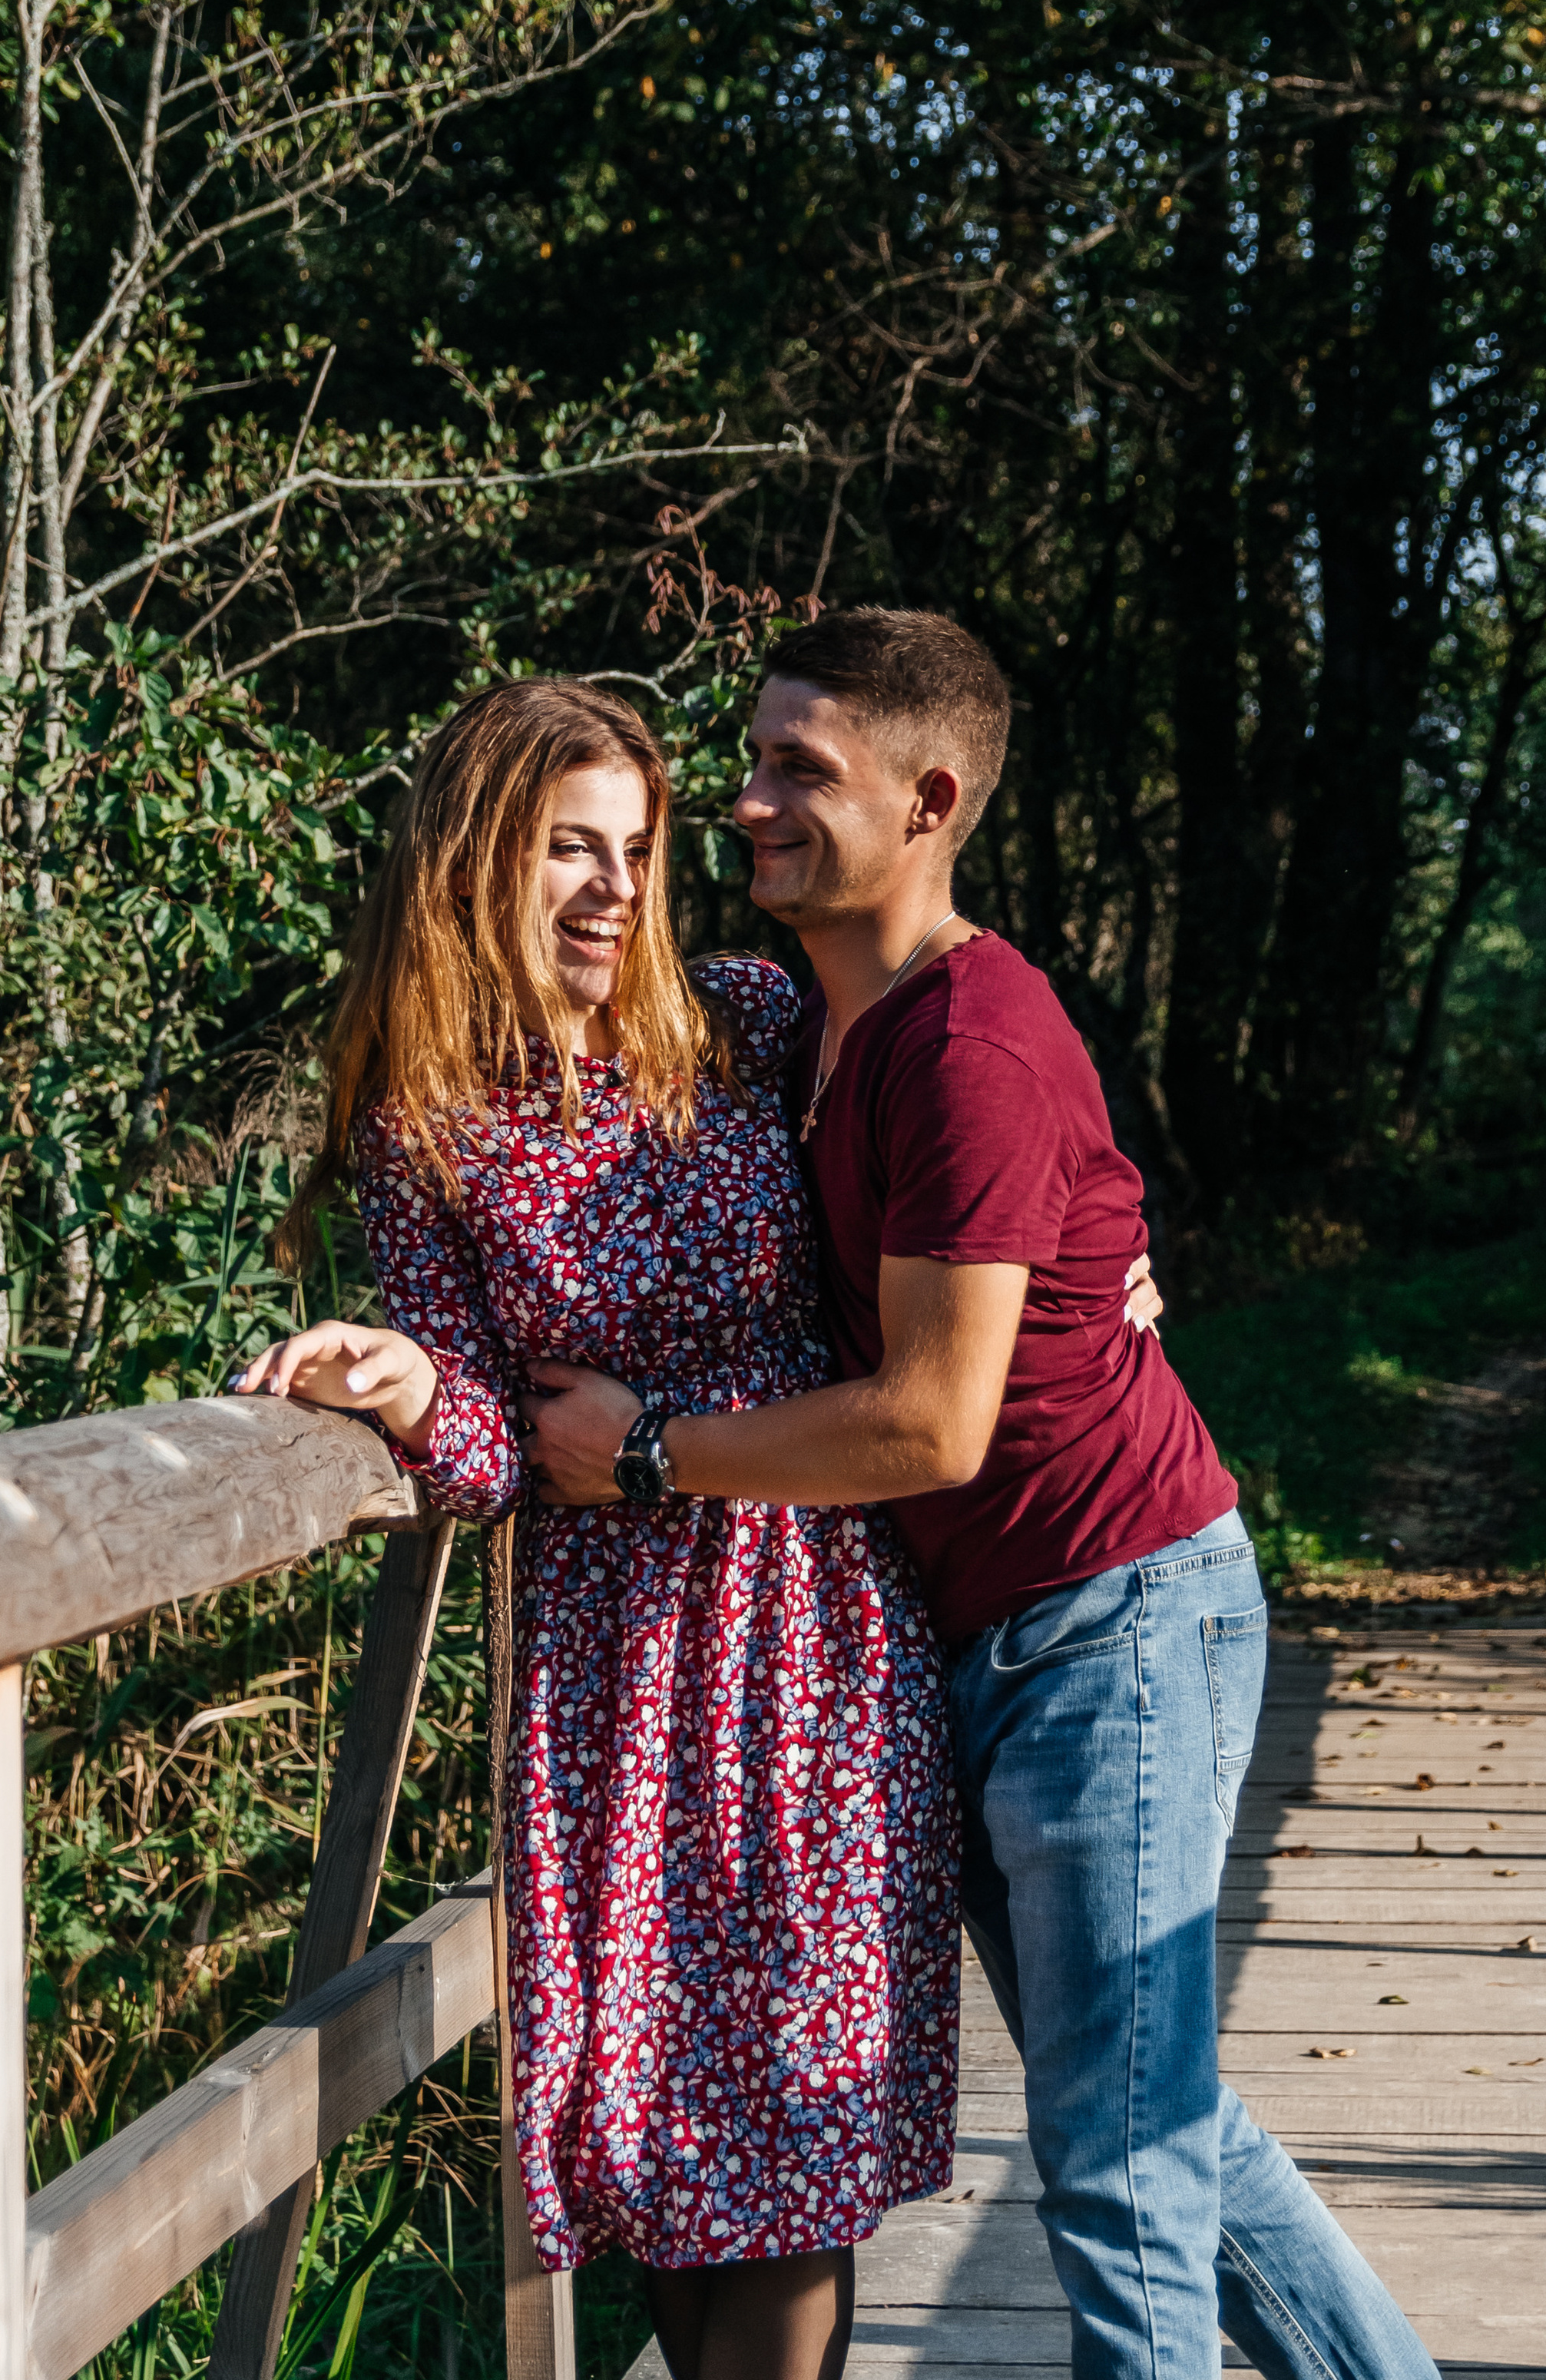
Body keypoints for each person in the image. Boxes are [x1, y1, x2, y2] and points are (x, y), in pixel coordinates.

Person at [525, 608, 1443, 2380]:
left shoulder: (970, 1047)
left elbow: (928, 1426)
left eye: (803, 769)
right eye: (753, 757)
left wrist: (639, 1450)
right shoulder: (802, 1024)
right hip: (989, 1634)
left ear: (928, 799)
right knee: (1161, 2116)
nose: (749, 802)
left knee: (1113, 2159)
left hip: (1111, 1620)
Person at [234, 677, 962, 2380]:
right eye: (569, 847)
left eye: (633, 850)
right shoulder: (423, 1121)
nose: (613, 889)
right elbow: (492, 1458)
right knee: (660, 2159)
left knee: (786, 2150)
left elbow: (962, 1104)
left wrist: (1092, 1248)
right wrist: (409, 1384)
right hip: (615, 1677)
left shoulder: (741, 1021)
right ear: (475, 858)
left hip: (808, 1640)